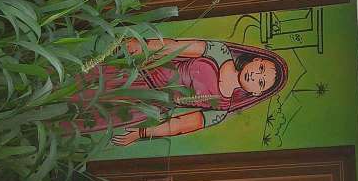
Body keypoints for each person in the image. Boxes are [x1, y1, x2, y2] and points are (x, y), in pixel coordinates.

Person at [74, 38, 287, 146]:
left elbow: (178, 126)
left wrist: (139, 134)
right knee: (77, 83)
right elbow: (174, 47)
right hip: (136, 73)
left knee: (81, 116)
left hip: (142, 107)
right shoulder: (219, 52)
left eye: (261, 82)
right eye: (261, 68)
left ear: (256, 93)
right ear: (256, 59)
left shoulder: (222, 110)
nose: (255, 76)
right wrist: (141, 46)